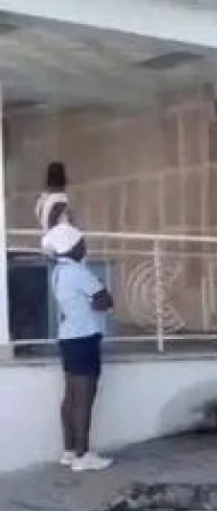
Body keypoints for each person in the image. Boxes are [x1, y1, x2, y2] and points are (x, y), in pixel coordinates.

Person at [44, 222, 114, 472]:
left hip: (68, 337)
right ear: (71, 248)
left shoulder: (58, 272)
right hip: (85, 337)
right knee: (84, 398)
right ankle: (83, 456)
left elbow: (97, 301)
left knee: (71, 397)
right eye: (81, 243)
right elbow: (105, 299)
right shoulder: (79, 272)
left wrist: (95, 301)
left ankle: (69, 450)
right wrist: (99, 300)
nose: (85, 247)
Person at [35, 162, 72, 255]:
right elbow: (53, 222)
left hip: (46, 244)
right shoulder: (60, 199)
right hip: (59, 247)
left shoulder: (42, 199)